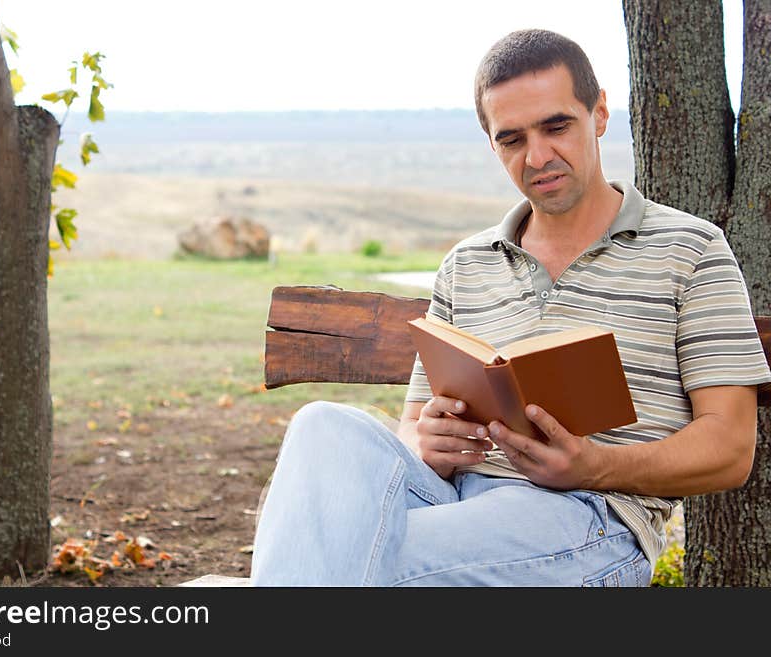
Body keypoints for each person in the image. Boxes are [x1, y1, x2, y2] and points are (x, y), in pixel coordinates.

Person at [249, 28, 771, 586]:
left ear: (598, 114)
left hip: (589, 520)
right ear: (491, 144)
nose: (538, 156)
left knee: (348, 558)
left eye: (556, 126)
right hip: (452, 500)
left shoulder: (690, 250)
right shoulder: (466, 263)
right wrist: (428, 443)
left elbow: (731, 448)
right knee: (324, 426)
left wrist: (596, 468)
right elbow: (412, 430)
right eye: (512, 139)